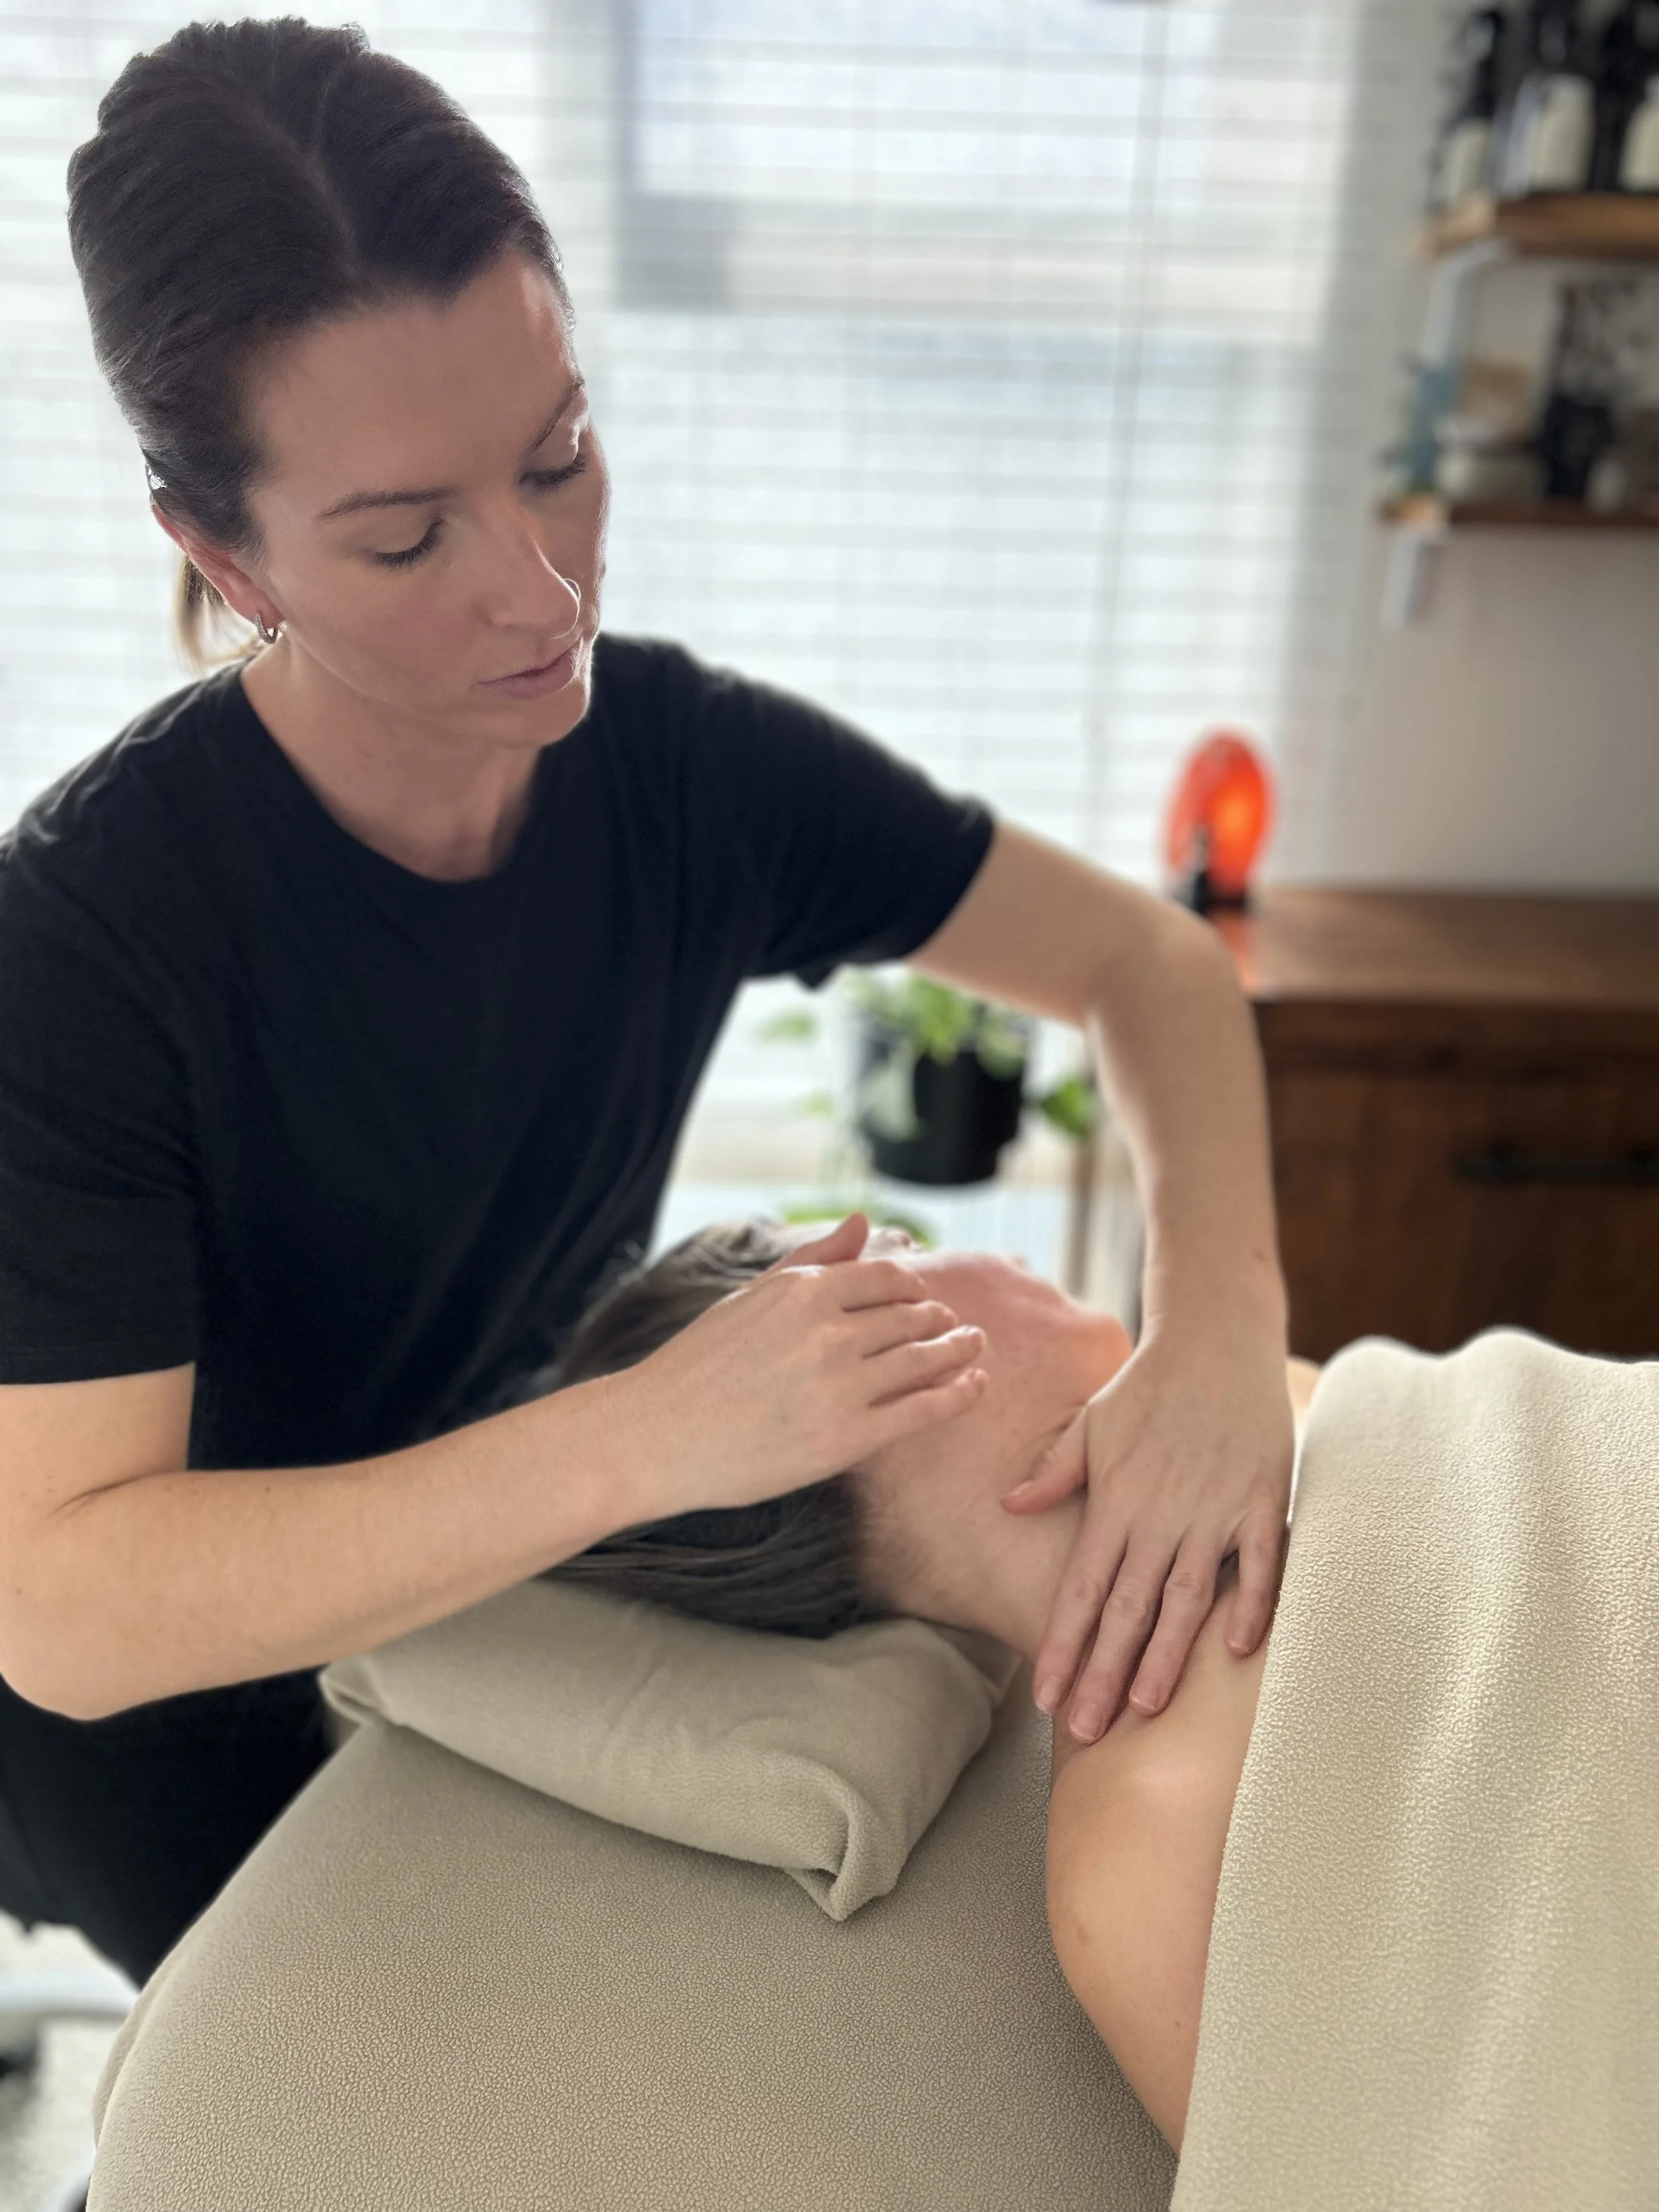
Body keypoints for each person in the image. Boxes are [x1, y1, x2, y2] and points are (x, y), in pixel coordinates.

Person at [0, 19, 1292, 1989]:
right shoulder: (86, 948)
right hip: (192, 1697)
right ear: (220, 548)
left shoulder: (676, 770)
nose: (541, 591)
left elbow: (1147, 963)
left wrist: (1214, 1342)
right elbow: (69, 1602)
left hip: (552, 1586)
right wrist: (648, 1437)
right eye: (409, 533)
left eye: (560, 457)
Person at [524, 1215, 1319, 2154]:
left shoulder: (1285, 1397)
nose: (1004, 1250)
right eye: (901, 1244)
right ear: (850, 1374)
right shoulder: (1148, 1869)